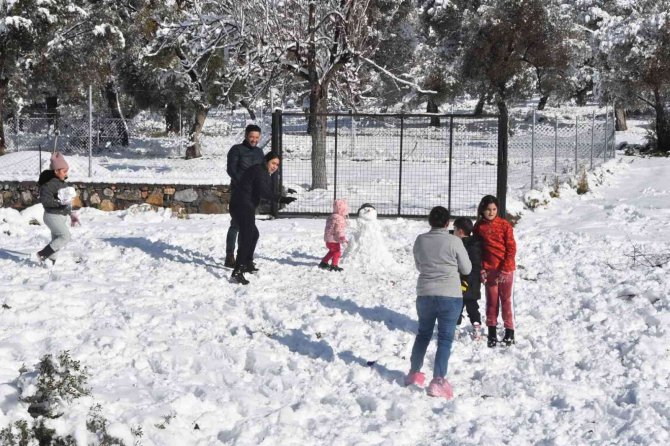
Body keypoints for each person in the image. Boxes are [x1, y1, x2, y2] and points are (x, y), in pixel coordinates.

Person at [404, 206, 471, 399]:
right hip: (450, 294)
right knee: (444, 339)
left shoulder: (420, 240)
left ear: (429, 221)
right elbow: (466, 269)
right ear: (448, 222)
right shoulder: (454, 241)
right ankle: (439, 381)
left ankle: (414, 373)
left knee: (423, 335)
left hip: (425, 293)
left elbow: (419, 265)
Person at [229, 152, 295, 285]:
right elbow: (264, 191)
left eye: (277, 164)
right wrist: (281, 198)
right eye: (273, 163)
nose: (275, 166)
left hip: (244, 205)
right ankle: (238, 270)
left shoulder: (260, 171)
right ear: (266, 161)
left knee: (253, 234)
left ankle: (247, 262)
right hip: (242, 205)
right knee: (247, 236)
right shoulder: (260, 171)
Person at [473, 195, 517, 347]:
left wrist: (506, 268)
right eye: (488, 209)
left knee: (506, 301)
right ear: (482, 210)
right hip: (489, 271)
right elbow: (476, 250)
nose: (491, 212)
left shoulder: (505, 225)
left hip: (505, 270)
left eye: (494, 209)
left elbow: (511, 248)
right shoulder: (478, 227)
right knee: (491, 301)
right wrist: (481, 269)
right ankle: (491, 331)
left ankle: (509, 331)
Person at [225, 124, 265, 267]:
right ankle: (229, 256)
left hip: (253, 195)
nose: (254, 139)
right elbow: (231, 170)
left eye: (256, 137)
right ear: (246, 136)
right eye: (251, 136)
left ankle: (244, 257)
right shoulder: (236, 150)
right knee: (236, 225)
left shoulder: (260, 152)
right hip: (239, 193)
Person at [36, 152, 80, 264]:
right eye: (64, 171)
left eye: (67, 171)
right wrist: (59, 202)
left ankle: (51, 261)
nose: (66, 173)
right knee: (65, 236)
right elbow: (45, 201)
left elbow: (66, 201)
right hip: (52, 216)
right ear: (56, 171)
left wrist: (72, 214)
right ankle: (43, 254)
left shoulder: (63, 184)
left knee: (56, 240)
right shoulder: (48, 185)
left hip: (60, 216)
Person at [452, 217, 483, 339]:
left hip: (461, 281)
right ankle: (477, 326)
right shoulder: (476, 244)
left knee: (457, 306)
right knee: (473, 305)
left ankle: (455, 328)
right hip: (473, 282)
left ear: (460, 231)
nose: (452, 231)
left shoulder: (458, 244)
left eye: (454, 229)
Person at [318, 199, 349, 272]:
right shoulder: (339, 218)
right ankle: (334, 265)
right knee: (337, 252)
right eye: (345, 210)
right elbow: (339, 230)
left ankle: (323, 263)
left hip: (328, 239)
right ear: (342, 210)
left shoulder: (332, 216)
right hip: (334, 240)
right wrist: (343, 239)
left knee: (332, 251)